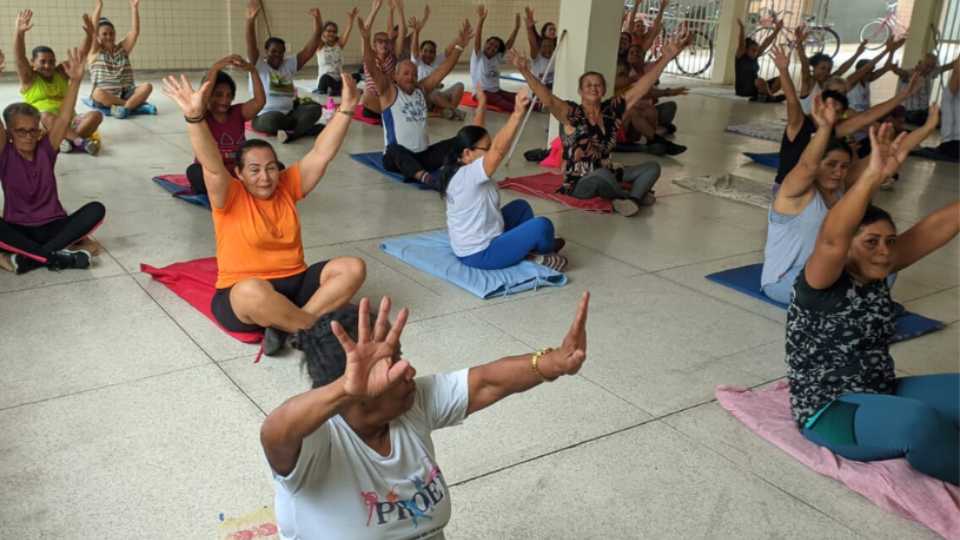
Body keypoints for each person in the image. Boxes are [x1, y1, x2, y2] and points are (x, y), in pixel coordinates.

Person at [261, 292, 591, 537]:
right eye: (392, 368)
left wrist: (551, 363)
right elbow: (276, 432)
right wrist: (344, 389)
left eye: (400, 357)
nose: (409, 370)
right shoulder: (319, 441)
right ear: (355, 394)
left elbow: (486, 382)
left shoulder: (412, 403)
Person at [787, 122, 959, 486]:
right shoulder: (819, 284)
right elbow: (832, 237)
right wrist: (870, 178)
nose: (884, 251)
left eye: (890, 241)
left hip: (880, 388)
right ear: (849, 245)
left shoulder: (878, 265)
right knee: (920, 424)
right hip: (829, 409)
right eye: (871, 242)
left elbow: (936, 227)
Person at [162, 70, 366, 356]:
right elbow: (210, 165)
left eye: (271, 168)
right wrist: (195, 118)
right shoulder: (229, 194)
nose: (265, 177)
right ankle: (311, 329)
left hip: (295, 283)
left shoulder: (287, 184)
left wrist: (346, 109)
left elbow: (321, 153)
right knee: (252, 292)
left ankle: (287, 327)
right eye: (254, 170)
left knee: (352, 267)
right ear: (240, 174)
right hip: (242, 294)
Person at [760, 94, 939, 304]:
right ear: (818, 164)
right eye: (831, 164)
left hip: (827, 270)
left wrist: (928, 127)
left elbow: (892, 154)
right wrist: (825, 129)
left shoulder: (841, 188)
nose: (838, 172)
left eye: (844, 166)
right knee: (849, 270)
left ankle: (855, 301)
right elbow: (806, 166)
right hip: (784, 282)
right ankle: (854, 301)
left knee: (885, 264)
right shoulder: (793, 194)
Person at [507, 29, 690, 217]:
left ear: (603, 90)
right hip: (581, 181)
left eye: (598, 85)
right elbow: (549, 100)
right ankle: (631, 195)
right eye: (589, 85)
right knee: (601, 174)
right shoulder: (573, 113)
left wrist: (666, 58)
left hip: (609, 173)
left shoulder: (612, 110)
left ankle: (632, 201)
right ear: (580, 91)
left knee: (652, 168)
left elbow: (640, 88)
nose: (594, 88)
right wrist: (525, 71)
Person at [0, 48, 105, 275]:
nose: (28, 136)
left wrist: (75, 80)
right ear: (8, 134)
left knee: (96, 209)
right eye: (20, 132)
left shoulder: (46, 149)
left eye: (32, 131)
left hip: (54, 226)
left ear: (39, 131)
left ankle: (27, 260)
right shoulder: (4, 153)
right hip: (18, 229)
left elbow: (65, 116)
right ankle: (58, 257)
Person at [440, 89, 567, 271]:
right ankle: (539, 254)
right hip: (480, 254)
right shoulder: (467, 176)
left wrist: (482, 104)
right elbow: (499, 151)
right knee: (542, 226)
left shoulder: (461, 164)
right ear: (467, 154)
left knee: (521, 207)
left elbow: (478, 136)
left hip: (484, 240)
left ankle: (524, 248)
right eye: (487, 149)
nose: (491, 152)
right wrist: (517, 113)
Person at [771, 44, 922, 187]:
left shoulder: (835, 129)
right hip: (788, 189)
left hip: (813, 188)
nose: (832, 113)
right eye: (828, 107)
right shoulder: (799, 123)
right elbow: (791, 99)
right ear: (818, 104)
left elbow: (866, 117)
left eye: (837, 112)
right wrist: (783, 70)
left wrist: (903, 96)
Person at [361, 15, 473, 189]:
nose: (410, 77)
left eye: (413, 74)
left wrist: (459, 46)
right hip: (396, 159)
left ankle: (458, 170)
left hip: (422, 156)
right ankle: (428, 179)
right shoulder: (389, 91)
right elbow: (370, 65)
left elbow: (443, 70)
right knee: (393, 150)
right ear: (395, 76)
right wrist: (366, 39)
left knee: (459, 141)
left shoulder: (421, 90)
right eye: (405, 74)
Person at [14, 10, 103, 155]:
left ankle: (66, 140)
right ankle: (81, 142)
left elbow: (80, 54)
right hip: (43, 124)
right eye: (42, 62)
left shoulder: (61, 73)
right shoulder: (29, 78)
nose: (48, 66)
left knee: (96, 115)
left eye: (51, 62)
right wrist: (19, 33)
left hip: (68, 121)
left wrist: (89, 35)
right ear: (32, 63)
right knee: (45, 116)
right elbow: (19, 58)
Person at [184, 55, 265, 195]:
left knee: (274, 167)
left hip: (238, 171)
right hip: (214, 174)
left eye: (229, 95)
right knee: (194, 172)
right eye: (218, 95)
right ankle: (227, 194)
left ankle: (234, 191)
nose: (225, 100)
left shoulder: (238, 112)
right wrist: (215, 68)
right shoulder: (201, 116)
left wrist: (253, 71)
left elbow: (259, 102)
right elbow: (200, 101)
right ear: (209, 96)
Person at [245, 0, 324, 143]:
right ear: (266, 51)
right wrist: (250, 21)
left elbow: (309, 50)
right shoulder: (258, 66)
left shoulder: (288, 65)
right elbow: (250, 44)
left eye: (281, 52)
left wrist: (318, 26)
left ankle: (292, 134)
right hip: (264, 116)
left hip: (290, 113)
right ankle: (304, 129)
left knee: (315, 109)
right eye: (273, 51)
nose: (277, 55)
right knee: (274, 120)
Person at [615, 43, 687, 156]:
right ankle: (658, 139)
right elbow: (638, 94)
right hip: (622, 124)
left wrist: (668, 92)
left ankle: (653, 138)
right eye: (631, 53)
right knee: (633, 111)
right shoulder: (624, 78)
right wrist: (667, 92)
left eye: (637, 53)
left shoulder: (646, 68)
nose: (634, 56)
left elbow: (645, 93)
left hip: (636, 123)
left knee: (653, 109)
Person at [87, 0, 155, 119]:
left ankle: (124, 107)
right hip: (106, 96)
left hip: (126, 93)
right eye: (104, 34)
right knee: (97, 93)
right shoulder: (94, 52)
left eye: (111, 33)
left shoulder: (122, 49)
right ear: (97, 36)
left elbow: (135, 32)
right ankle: (133, 106)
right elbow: (92, 31)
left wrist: (134, 8)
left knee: (147, 86)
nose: (109, 36)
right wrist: (99, 6)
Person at [409, 7, 465, 120]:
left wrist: (460, 38)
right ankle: (455, 111)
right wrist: (416, 32)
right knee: (433, 94)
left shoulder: (437, 60)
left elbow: (449, 49)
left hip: (437, 96)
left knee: (459, 85)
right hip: (424, 96)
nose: (428, 54)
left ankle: (450, 110)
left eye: (431, 52)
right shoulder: (417, 61)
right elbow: (414, 50)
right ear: (421, 52)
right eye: (425, 51)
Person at [796, 29, 869, 114]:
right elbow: (804, 66)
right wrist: (799, 44)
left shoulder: (828, 82)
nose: (826, 72)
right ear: (814, 68)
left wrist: (857, 54)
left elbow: (841, 70)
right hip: (807, 124)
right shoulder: (809, 82)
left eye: (829, 69)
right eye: (822, 68)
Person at [359, 0, 405, 119]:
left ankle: (387, 114)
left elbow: (402, 32)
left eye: (386, 42)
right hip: (373, 100)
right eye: (380, 41)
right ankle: (385, 114)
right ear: (374, 45)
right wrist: (375, 9)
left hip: (389, 97)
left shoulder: (393, 55)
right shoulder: (369, 56)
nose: (383, 44)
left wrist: (400, 10)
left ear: (390, 44)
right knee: (366, 96)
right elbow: (365, 31)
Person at [471, 6, 520, 112]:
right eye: (490, 44)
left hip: (496, 91)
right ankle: (519, 110)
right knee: (503, 102)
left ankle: (538, 106)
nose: (492, 47)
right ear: (485, 43)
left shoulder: (497, 57)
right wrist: (481, 20)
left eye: (495, 47)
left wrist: (516, 28)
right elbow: (477, 39)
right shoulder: (478, 56)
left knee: (516, 97)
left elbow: (509, 44)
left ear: (498, 51)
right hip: (481, 93)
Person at [893, 52, 956, 125]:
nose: (929, 69)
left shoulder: (930, 73)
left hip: (924, 111)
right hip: (910, 113)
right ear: (920, 63)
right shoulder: (910, 73)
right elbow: (902, 73)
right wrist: (896, 70)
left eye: (932, 66)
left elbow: (949, 66)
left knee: (946, 115)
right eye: (927, 65)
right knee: (939, 120)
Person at [734, 17, 785, 102]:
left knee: (781, 79)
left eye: (756, 50)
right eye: (753, 50)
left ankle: (762, 96)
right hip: (743, 90)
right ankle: (771, 98)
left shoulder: (755, 56)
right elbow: (741, 44)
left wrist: (777, 29)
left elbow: (766, 42)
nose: (755, 52)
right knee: (759, 81)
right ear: (746, 50)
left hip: (756, 88)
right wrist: (742, 28)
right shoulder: (740, 57)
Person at [313, 8, 358, 97]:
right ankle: (329, 91)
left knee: (356, 76)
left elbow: (347, 32)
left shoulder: (339, 45)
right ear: (324, 32)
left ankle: (338, 91)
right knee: (325, 78)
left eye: (334, 31)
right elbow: (316, 33)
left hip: (338, 81)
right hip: (325, 80)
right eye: (329, 31)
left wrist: (351, 20)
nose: (331, 33)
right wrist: (317, 18)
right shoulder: (320, 46)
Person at [523, 7, 556, 87]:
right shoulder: (537, 55)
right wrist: (529, 28)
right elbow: (532, 43)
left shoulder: (556, 51)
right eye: (550, 29)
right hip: (538, 88)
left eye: (554, 30)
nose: (547, 49)